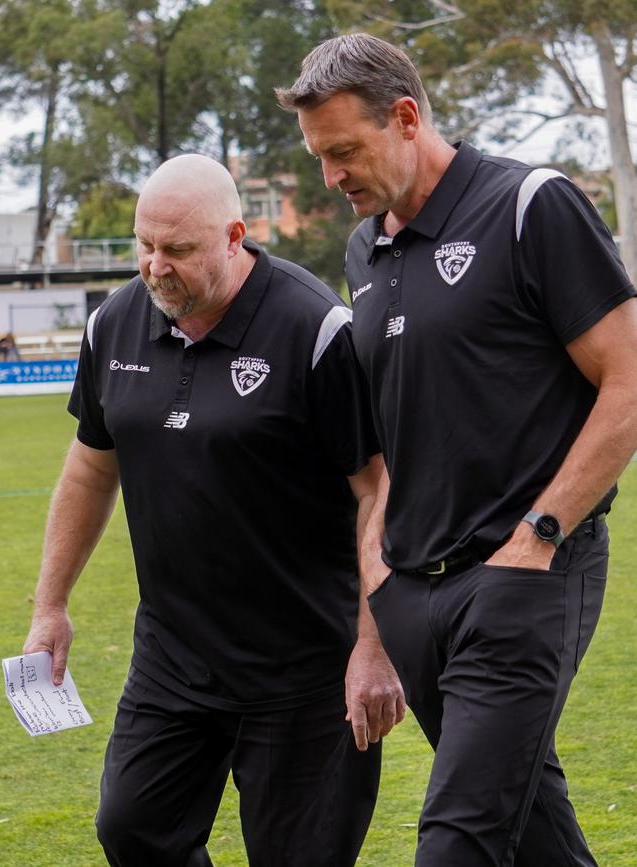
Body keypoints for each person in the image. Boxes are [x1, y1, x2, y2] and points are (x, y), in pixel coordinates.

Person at [276, 33, 637, 867]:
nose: (331, 179)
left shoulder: (529, 205)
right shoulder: (365, 249)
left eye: (344, 152)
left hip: (526, 577)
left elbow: (625, 384)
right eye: (318, 157)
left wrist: (535, 538)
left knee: (457, 838)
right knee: (531, 825)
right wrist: (380, 576)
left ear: (405, 118)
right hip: (417, 596)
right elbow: (391, 435)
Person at [23, 154, 404, 867]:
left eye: (178, 249)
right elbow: (89, 466)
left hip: (304, 667)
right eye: (145, 244)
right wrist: (51, 603)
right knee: (132, 828)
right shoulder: (114, 323)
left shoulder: (315, 329)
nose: (154, 266)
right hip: (174, 654)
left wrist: (375, 646)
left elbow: (377, 490)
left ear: (235, 237)